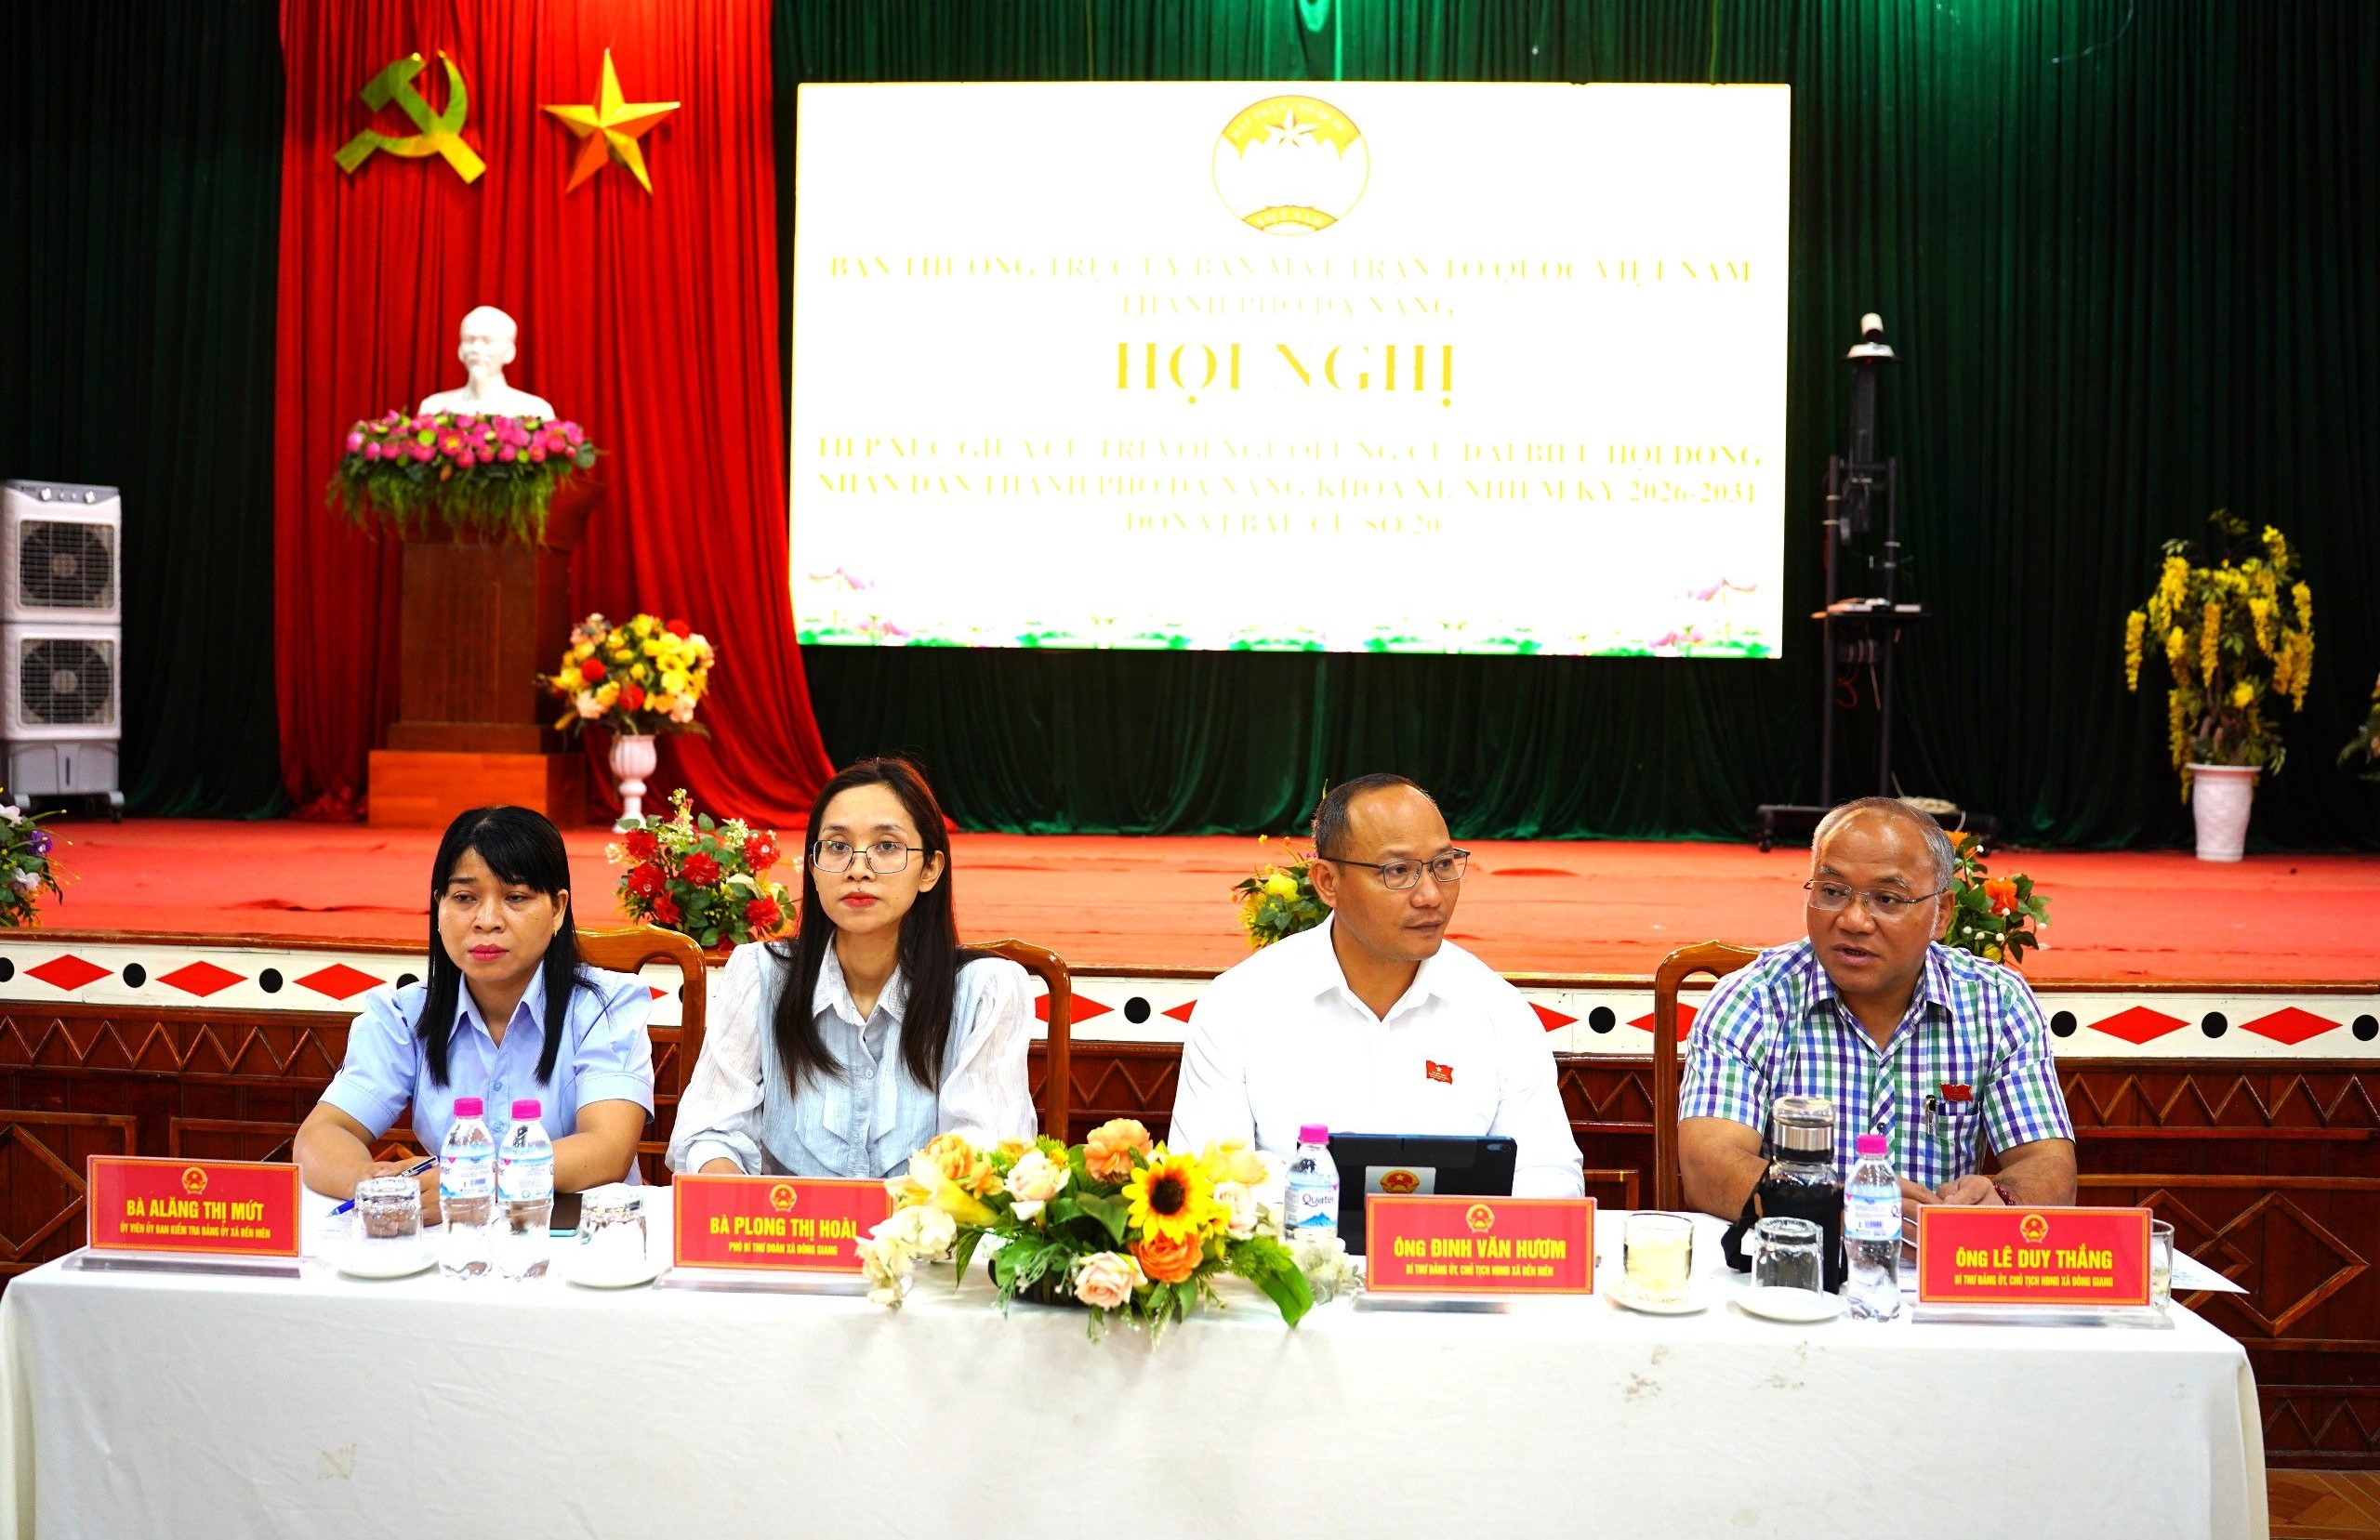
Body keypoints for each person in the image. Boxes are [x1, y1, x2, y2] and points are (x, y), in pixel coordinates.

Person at [1169, 773, 1585, 1198]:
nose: (1430, 896)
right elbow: (1205, 1186)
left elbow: (1552, 1177)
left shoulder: (1498, 1010)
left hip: (1454, 1242)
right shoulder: (1239, 1006)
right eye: (1398, 871)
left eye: (1443, 865)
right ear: (1327, 882)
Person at [1677, 796, 2077, 1224]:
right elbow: (1708, 1165)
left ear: (1941, 914)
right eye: (1832, 892)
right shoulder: (1753, 1000)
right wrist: (1838, 1207)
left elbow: (2050, 1166)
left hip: (1939, 1258)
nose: (1853, 920)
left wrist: (2000, 1199)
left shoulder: (1995, 1002)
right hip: (1800, 1255)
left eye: (1886, 899)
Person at [668, 757, 1035, 1178]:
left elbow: (987, 1153)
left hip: (925, 1220)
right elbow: (709, 1132)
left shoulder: (986, 991)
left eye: (887, 846)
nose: (858, 869)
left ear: (930, 869)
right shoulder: (760, 974)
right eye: (838, 847)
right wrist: (730, 1188)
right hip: (785, 1220)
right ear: (813, 867)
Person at [296, 806, 654, 1218]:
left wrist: (472, 1183)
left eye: (515, 898)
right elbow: (321, 1135)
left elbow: (607, 1149)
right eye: (465, 898)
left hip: (582, 1235)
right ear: (439, 907)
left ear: (557, 909)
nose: (487, 921)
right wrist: (374, 1182)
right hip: (454, 1240)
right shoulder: (404, 1015)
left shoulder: (605, 1007)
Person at [417, 305, 558, 418]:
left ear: (509, 352)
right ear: (460, 349)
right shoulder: (433, 408)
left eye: (487, 341)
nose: (476, 348)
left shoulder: (535, 411)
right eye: (470, 340)